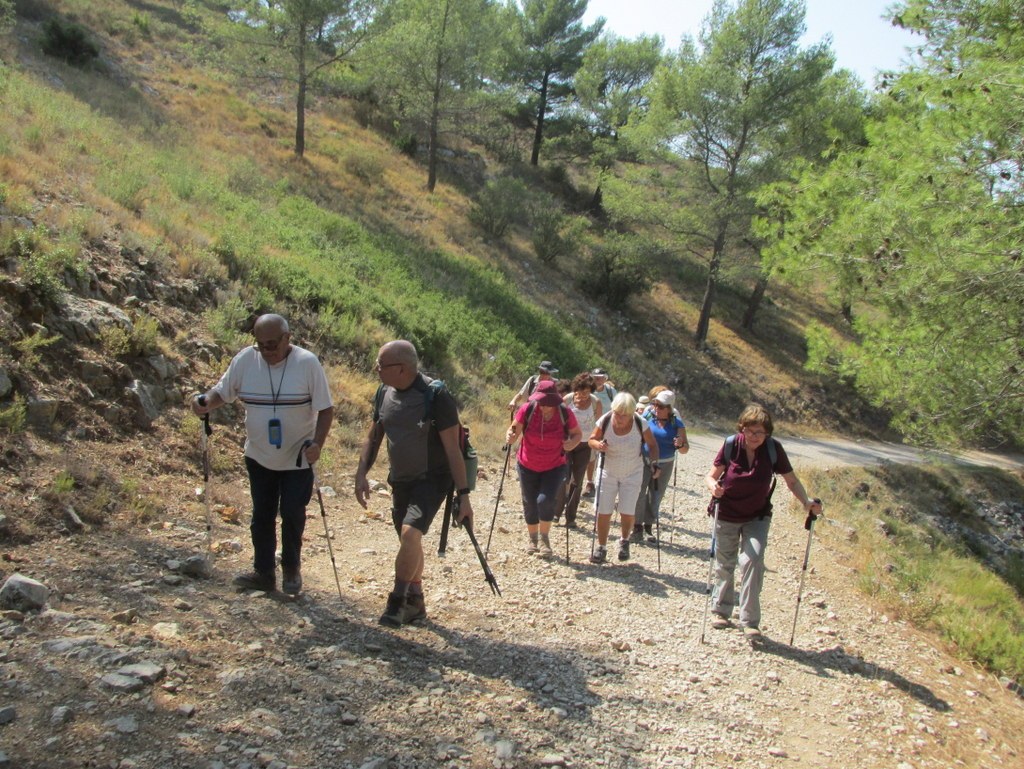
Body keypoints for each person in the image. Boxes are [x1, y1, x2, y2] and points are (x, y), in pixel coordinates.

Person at [192, 314, 334, 595]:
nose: (267, 351)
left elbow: (326, 409)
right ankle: (263, 572)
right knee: (262, 515)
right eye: (261, 345)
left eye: (272, 345)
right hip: (259, 454)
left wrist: (317, 443)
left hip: (298, 456)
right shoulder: (246, 359)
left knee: (293, 513)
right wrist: (206, 402)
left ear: (287, 338)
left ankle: (292, 568)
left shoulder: (307, 363)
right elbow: (223, 391)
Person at [355, 341, 475, 627]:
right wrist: (361, 473)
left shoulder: (436, 396)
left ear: (402, 368)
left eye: (381, 365)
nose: (376, 369)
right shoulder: (384, 392)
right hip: (401, 478)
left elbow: (452, 449)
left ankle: (397, 601)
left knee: (410, 534)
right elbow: (374, 436)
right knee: (409, 540)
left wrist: (464, 495)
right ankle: (417, 601)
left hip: (433, 478)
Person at [705, 403, 822, 639]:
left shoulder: (772, 449)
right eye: (750, 431)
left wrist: (806, 502)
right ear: (742, 429)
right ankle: (721, 610)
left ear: (767, 433)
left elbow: (791, 481)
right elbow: (711, 476)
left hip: (757, 516)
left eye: (760, 432)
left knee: (753, 561)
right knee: (725, 564)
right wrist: (713, 488)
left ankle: (749, 621)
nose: (755, 437)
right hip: (726, 513)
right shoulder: (731, 445)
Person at [505, 380, 582, 556]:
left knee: (545, 500)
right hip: (527, 463)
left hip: (554, 464)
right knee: (529, 501)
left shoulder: (564, 412)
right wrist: (510, 437)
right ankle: (533, 539)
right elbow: (514, 430)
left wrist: (571, 443)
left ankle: (544, 537)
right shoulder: (528, 409)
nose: (543, 406)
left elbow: (577, 434)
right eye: (541, 402)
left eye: (547, 403)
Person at [588, 392, 659, 564]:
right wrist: (598, 445)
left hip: (633, 472)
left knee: (627, 511)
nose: (619, 418)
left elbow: (652, 445)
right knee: (603, 511)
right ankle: (601, 547)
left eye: (624, 415)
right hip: (607, 471)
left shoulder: (639, 422)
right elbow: (591, 439)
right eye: (617, 414)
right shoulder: (605, 420)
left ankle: (624, 541)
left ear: (632, 413)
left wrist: (655, 463)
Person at [632, 390, 688, 543]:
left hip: (665, 463)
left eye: (661, 406)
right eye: (655, 404)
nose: (656, 408)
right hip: (644, 460)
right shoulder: (647, 416)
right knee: (639, 492)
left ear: (669, 408)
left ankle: (648, 526)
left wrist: (681, 444)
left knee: (655, 495)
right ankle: (637, 527)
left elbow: (685, 450)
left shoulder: (677, 424)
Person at [555, 372, 602, 528]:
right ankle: (556, 512)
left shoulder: (596, 403)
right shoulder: (566, 401)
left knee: (577, 481)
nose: (583, 396)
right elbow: (558, 421)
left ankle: (570, 517)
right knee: (563, 478)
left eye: (587, 392)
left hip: (584, 445)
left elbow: (599, 424)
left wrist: (597, 442)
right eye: (580, 392)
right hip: (567, 444)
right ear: (575, 390)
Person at [583, 367, 617, 496]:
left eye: (601, 377)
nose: (598, 379)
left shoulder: (610, 391)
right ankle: (590, 482)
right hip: (590, 428)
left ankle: (602, 482)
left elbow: (617, 407)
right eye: (596, 377)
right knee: (591, 457)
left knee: (604, 455)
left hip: (607, 428)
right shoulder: (588, 390)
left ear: (605, 378)